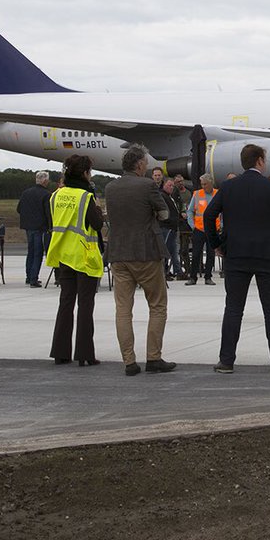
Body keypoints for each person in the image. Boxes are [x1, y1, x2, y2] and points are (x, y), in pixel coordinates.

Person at [205, 143, 270, 372]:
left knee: (234, 308)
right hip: (269, 255)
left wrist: (217, 244)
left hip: (236, 255)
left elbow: (209, 215)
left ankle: (226, 360)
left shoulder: (228, 187)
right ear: (259, 161)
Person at [106, 145, 176, 376]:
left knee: (123, 309)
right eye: (145, 163)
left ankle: (129, 361)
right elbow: (165, 214)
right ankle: (153, 358)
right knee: (157, 305)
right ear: (139, 165)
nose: (147, 167)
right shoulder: (147, 185)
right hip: (146, 252)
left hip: (118, 253)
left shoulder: (110, 187)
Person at [46, 155, 104, 366]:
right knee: (85, 305)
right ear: (85, 173)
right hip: (83, 256)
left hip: (63, 255)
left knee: (65, 303)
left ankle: (60, 352)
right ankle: (85, 354)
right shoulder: (85, 197)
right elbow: (97, 224)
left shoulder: (56, 196)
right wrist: (98, 209)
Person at [16, 170, 52, 288]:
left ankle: (28, 276)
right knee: (38, 253)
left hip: (28, 226)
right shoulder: (47, 194)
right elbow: (48, 213)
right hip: (39, 227)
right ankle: (33, 279)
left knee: (30, 251)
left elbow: (19, 209)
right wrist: (50, 227)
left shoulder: (26, 193)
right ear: (45, 181)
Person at [186, 174, 219, 285]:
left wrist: (222, 225)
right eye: (202, 184)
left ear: (211, 183)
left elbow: (223, 212)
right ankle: (192, 277)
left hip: (213, 230)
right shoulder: (197, 194)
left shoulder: (217, 194)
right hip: (199, 229)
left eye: (205, 184)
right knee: (195, 254)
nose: (203, 186)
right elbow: (190, 211)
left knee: (211, 254)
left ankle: (208, 277)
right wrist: (192, 225)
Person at [160, 177, 184, 280]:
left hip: (173, 227)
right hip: (167, 227)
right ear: (164, 185)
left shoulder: (171, 197)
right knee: (166, 250)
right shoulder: (162, 196)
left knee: (174, 251)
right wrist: (169, 221)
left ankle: (178, 271)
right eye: (169, 185)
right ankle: (164, 272)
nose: (171, 188)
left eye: (172, 186)